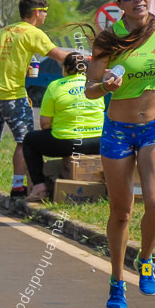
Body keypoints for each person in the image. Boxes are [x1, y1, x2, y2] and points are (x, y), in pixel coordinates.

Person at [84, 0, 155, 308]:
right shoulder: (109, 39)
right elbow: (90, 89)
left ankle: (145, 261)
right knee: (121, 212)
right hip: (118, 132)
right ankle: (116, 281)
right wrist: (104, 87)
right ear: (119, 3)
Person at [0, 0, 68, 211]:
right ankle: (17, 188)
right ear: (37, 12)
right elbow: (59, 55)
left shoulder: (3, 31)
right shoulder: (34, 33)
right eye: (45, 12)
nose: (45, 16)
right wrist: (87, 59)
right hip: (13, 94)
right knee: (24, 141)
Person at [23, 52, 105, 203]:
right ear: (85, 69)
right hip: (97, 142)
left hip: (68, 143)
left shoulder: (55, 86)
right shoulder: (94, 86)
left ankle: (39, 187)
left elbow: (45, 124)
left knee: (29, 140)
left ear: (64, 69)